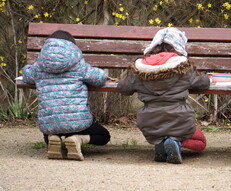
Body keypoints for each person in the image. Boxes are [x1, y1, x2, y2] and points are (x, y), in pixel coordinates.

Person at [117, 27, 210, 164]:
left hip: (150, 122)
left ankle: (161, 143)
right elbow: (203, 84)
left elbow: (123, 88)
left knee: (161, 133)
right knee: (200, 142)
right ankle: (174, 143)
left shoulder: (139, 69)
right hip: (180, 120)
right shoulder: (184, 68)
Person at [22, 30, 111, 161]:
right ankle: (78, 139)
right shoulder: (78, 64)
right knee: (104, 136)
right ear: (72, 46)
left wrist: (28, 68)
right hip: (80, 123)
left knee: (49, 135)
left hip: (51, 125)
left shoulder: (39, 66)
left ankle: (54, 139)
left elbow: (27, 76)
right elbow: (99, 78)